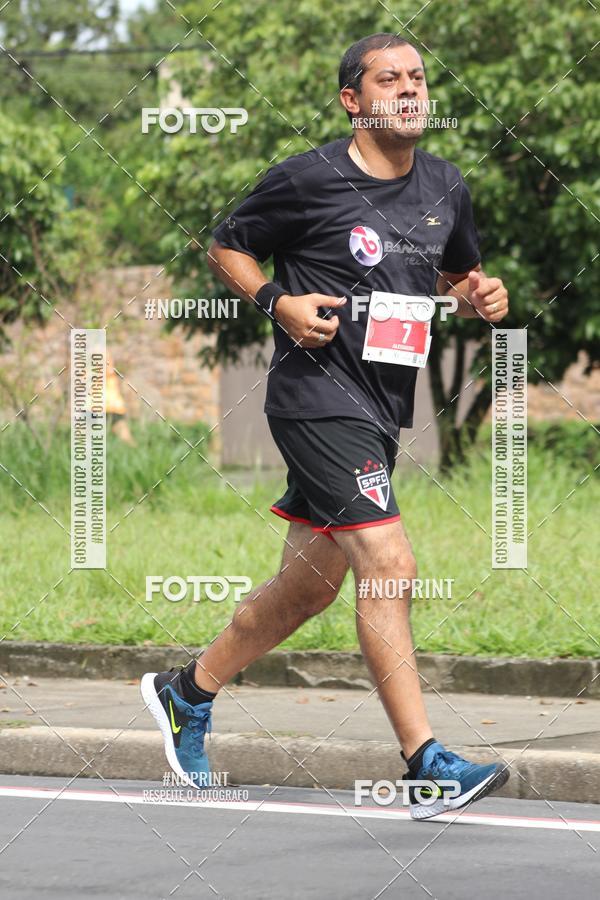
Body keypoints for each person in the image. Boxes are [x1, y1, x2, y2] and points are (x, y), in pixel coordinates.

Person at [141, 33, 510, 819]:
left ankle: (186, 692)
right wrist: (278, 300)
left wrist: (477, 295)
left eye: (418, 76)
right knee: (390, 560)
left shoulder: (445, 184)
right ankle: (424, 764)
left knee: (307, 590)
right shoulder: (309, 178)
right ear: (353, 100)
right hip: (315, 397)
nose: (410, 90)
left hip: (383, 408)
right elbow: (227, 245)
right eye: (389, 80)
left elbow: (451, 271)